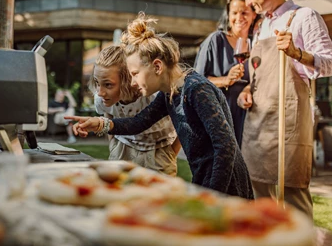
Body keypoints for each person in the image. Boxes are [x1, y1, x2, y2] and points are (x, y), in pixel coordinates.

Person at [67, 12, 254, 199]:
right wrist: (99, 124)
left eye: (135, 73)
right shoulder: (170, 94)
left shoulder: (197, 90)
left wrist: (213, 196)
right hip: (205, 177)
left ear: (157, 67)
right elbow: (138, 123)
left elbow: (225, 147)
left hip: (228, 184)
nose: (132, 82)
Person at [237, 0, 332, 218]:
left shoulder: (304, 17)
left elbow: (331, 63)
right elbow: (260, 74)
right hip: (258, 125)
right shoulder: (260, 27)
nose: (248, 3)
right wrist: (247, 90)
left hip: (288, 122)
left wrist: (297, 53)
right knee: (258, 195)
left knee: (293, 197)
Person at [88, 45, 181, 176]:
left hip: (158, 150)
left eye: (108, 84)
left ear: (127, 80)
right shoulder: (102, 98)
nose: (100, 92)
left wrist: (170, 152)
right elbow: (108, 115)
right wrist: (113, 145)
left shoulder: (152, 95)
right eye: (97, 82)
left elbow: (182, 122)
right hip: (123, 148)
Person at [194, 0, 257, 147]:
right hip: (220, 115)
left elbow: (260, 78)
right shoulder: (216, 40)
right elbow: (195, 82)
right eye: (234, 13)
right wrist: (226, 80)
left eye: (244, 12)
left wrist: (248, 88)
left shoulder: (257, 44)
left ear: (254, 14)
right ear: (228, 15)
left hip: (249, 117)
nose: (239, 17)